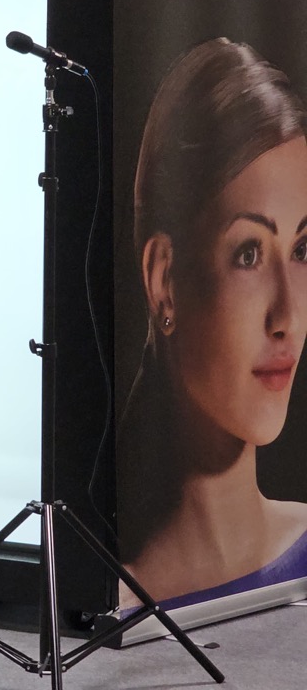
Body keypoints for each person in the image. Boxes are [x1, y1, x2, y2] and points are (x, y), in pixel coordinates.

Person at [120, 37, 307, 608]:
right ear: (163, 279)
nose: (288, 317)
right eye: (248, 253)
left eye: (303, 249)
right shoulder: (122, 593)